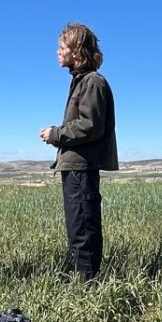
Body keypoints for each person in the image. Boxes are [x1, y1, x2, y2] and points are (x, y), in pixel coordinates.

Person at [39, 23, 118, 282]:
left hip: (81, 166)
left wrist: (56, 134)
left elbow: (90, 125)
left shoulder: (93, 82)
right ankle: (85, 279)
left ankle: (87, 285)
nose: (57, 52)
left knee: (83, 225)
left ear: (77, 51)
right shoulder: (81, 81)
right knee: (78, 225)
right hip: (74, 165)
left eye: (62, 47)